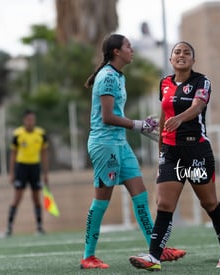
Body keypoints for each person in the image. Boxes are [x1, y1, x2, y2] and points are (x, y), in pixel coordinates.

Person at [80, 33, 186, 269]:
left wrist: (140, 126)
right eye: (128, 46)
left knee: (140, 194)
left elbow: (115, 115)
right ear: (117, 52)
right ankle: (88, 256)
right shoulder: (107, 77)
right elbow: (107, 117)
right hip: (104, 144)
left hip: (120, 142)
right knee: (102, 200)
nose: (132, 50)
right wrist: (139, 125)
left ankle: (156, 250)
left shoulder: (119, 76)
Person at [129, 41, 220, 271]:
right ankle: (154, 257)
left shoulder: (201, 81)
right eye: (177, 52)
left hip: (196, 150)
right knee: (164, 203)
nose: (181, 55)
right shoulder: (165, 83)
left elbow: (198, 106)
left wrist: (180, 118)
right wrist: (160, 152)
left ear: (193, 60)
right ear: (170, 59)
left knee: (209, 203)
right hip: (170, 152)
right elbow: (163, 114)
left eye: (187, 53)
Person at [5, 109, 49, 236]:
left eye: (32, 120)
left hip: (35, 168)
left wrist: (45, 173)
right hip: (21, 168)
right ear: (24, 120)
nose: (30, 122)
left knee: (36, 198)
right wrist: (12, 172)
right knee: (17, 198)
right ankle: (9, 227)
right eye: (28, 119)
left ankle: (39, 227)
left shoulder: (40, 134)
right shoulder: (18, 134)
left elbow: (44, 154)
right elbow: (13, 154)